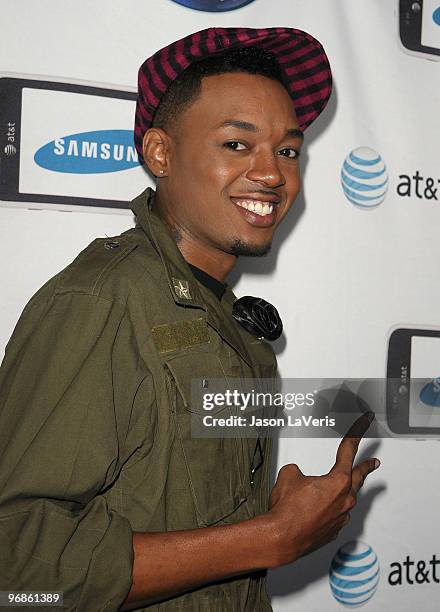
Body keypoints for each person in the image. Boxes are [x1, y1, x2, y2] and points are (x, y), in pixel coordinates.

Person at [0, 27, 380, 611]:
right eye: (236, 144)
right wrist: (269, 537)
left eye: (287, 150)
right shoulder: (102, 303)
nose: (273, 174)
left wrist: (271, 521)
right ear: (160, 153)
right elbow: (16, 569)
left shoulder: (226, 320)